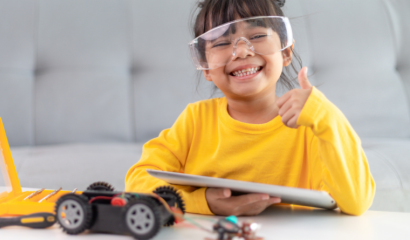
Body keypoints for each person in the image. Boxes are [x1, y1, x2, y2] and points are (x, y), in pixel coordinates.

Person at [125, 0, 375, 216]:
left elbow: (356, 202)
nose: (242, 51)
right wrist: (203, 202)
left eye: (256, 36)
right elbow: (138, 180)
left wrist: (326, 117)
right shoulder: (195, 120)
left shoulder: (313, 125)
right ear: (206, 67)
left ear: (286, 52)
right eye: (221, 43)